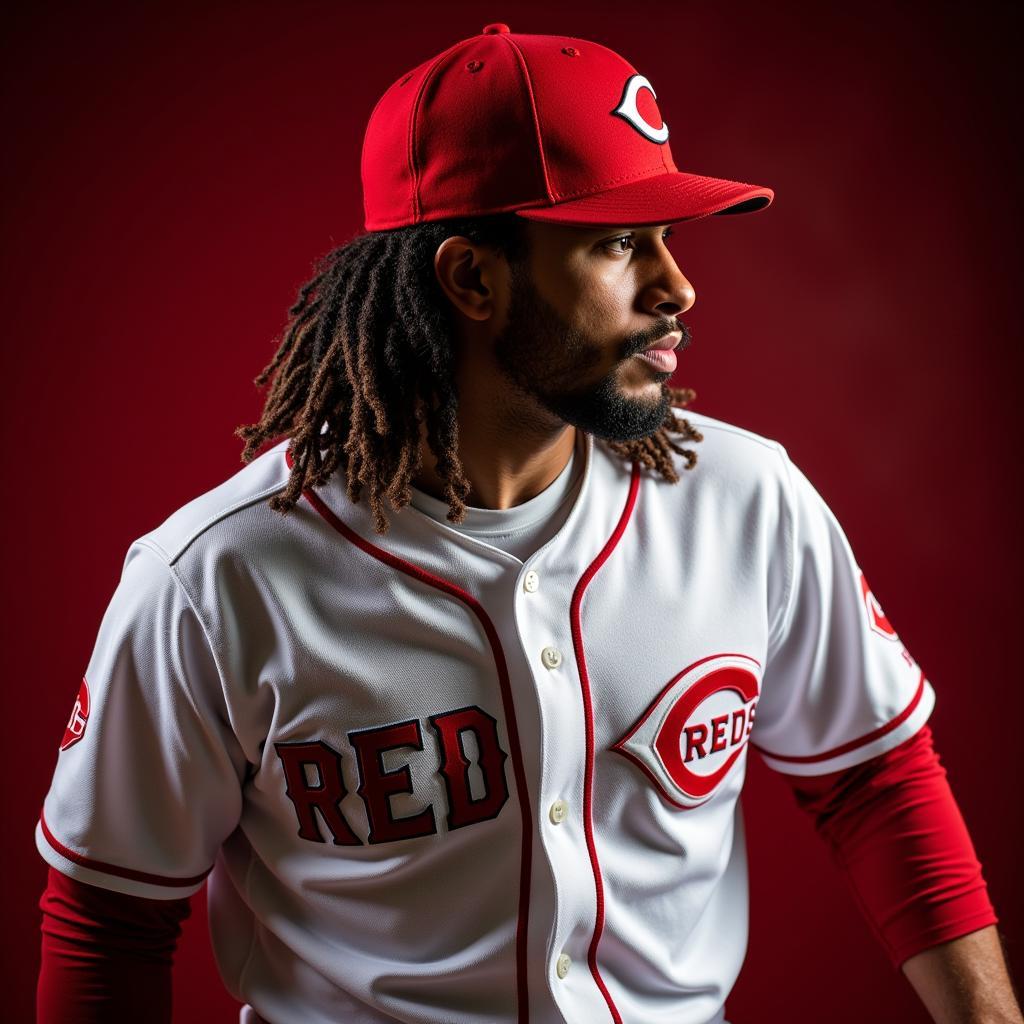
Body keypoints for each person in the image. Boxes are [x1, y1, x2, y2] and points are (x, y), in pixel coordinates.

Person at [35, 22, 1022, 1024]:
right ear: (472, 278)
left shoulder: (744, 496)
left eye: (667, 239)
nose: (676, 288)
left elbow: (873, 779)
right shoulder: (213, 578)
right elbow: (108, 921)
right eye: (617, 243)